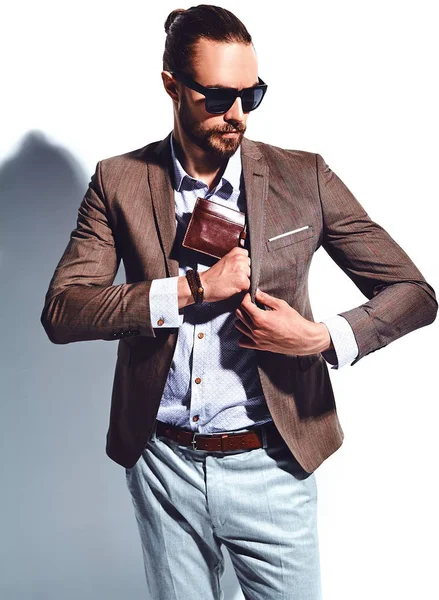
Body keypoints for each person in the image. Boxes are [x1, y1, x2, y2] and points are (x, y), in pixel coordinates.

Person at [40, 5, 437, 599]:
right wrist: (192, 290)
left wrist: (321, 338)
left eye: (252, 94)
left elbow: (413, 293)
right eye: (219, 96)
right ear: (172, 84)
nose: (238, 114)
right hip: (164, 465)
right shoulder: (116, 181)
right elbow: (65, 310)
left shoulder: (304, 177)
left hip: (272, 462)